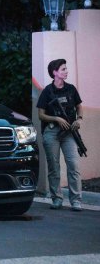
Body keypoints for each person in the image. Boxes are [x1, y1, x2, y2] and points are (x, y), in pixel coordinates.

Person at [37, 59, 83, 211]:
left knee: (74, 165)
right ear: (55, 72)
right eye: (63, 69)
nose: (66, 71)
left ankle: (76, 200)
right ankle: (56, 199)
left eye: (66, 69)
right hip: (52, 131)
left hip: (69, 131)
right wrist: (56, 118)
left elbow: (79, 106)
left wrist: (79, 119)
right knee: (54, 167)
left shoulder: (71, 89)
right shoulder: (47, 91)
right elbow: (41, 115)